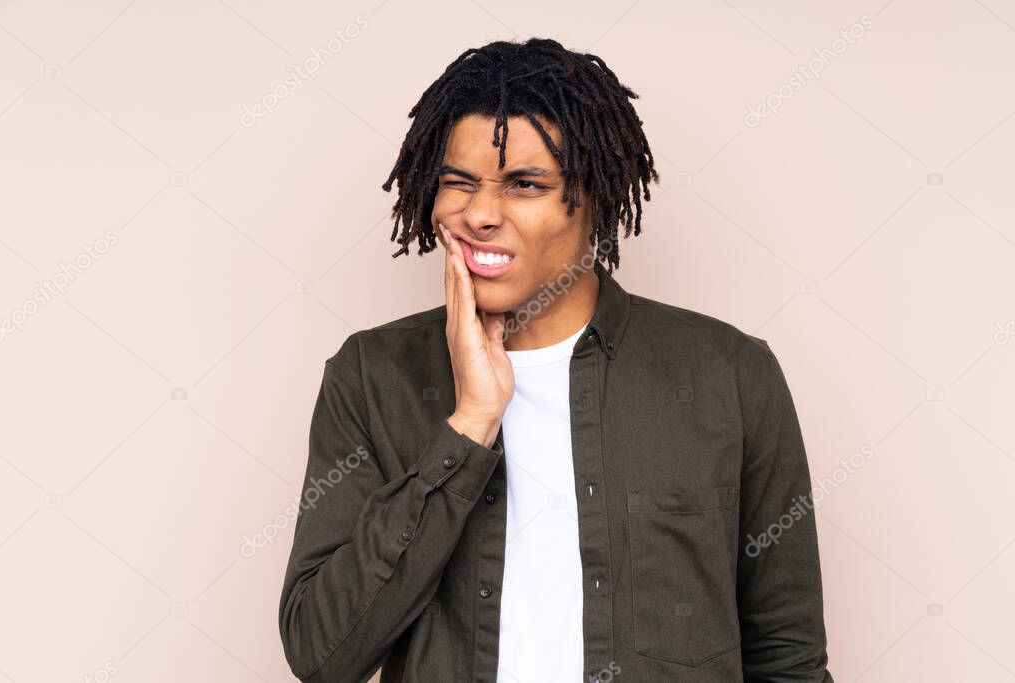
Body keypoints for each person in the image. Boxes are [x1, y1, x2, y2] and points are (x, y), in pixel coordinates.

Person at [278, 37, 834, 683]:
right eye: (458, 182)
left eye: (525, 185)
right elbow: (323, 652)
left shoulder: (727, 373)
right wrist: (471, 422)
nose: (480, 213)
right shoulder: (372, 374)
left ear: (595, 195)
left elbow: (788, 653)